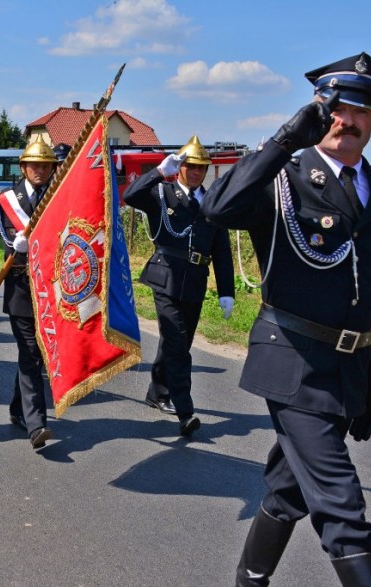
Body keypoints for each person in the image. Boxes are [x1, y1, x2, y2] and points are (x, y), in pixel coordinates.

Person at [202, 52, 371, 586]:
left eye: (360, 109)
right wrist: (282, 140)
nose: (348, 119)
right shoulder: (284, 176)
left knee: (288, 488)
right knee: (343, 508)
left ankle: (249, 581)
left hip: (349, 370)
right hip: (292, 362)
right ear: (318, 113)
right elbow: (217, 210)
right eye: (336, 108)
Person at [122, 135, 235, 436]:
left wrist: (227, 291)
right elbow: (131, 196)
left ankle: (157, 391)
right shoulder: (163, 193)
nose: (196, 172)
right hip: (166, 276)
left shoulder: (211, 202)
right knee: (176, 341)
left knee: (177, 342)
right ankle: (185, 410)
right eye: (190, 166)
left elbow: (221, 249)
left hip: (196, 280)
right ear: (180, 167)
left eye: (201, 168)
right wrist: (158, 172)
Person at [0, 136, 57, 450]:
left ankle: (17, 408)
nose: (41, 170)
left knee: (36, 354)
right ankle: (37, 424)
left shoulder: (59, 198)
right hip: (20, 288)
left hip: (50, 290)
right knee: (30, 352)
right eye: (35, 164)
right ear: (23, 167)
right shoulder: (4, 201)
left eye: (46, 165)